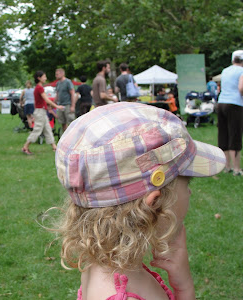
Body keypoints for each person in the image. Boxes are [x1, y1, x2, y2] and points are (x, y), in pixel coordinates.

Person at [52, 102, 226, 300]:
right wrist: (185, 288)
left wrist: (182, 283)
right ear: (154, 204)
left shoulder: (99, 267)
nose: (190, 193)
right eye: (187, 184)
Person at [22, 71, 64, 155]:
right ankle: (25, 147)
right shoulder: (39, 88)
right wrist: (57, 106)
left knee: (48, 129)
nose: (46, 78)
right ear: (39, 78)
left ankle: (54, 147)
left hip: (41, 111)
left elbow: (43, 101)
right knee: (37, 130)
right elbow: (46, 99)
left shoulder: (38, 87)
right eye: (44, 77)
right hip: (40, 112)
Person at [217, 50, 243, 176]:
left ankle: (227, 166)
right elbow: (241, 88)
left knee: (223, 134)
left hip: (221, 103)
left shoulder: (225, 71)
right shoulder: (242, 71)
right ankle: (237, 169)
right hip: (235, 104)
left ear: (233, 60)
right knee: (235, 134)